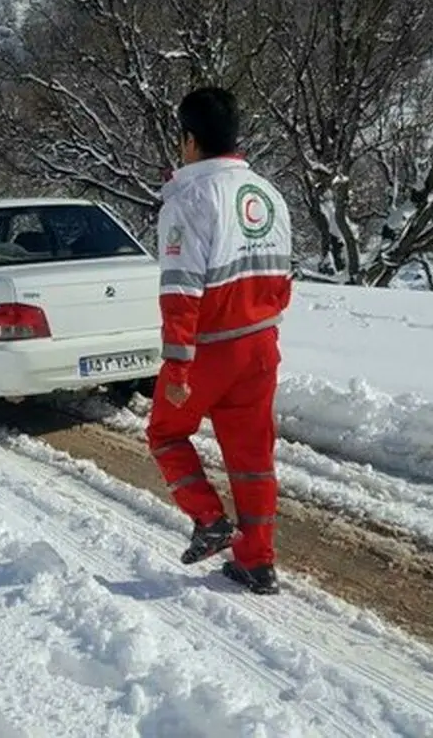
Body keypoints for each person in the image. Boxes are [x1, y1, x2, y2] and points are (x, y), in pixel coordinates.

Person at [146, 86, 293, 595]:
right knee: (253, 459)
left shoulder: (189, 200)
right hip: (261, 343)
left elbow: (181, 291)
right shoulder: (267, 194)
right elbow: (283, 279)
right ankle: (258, 562)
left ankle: (209, 520)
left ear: (189, 140)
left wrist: (178, 365)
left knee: (165, 433)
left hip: (210, 347)